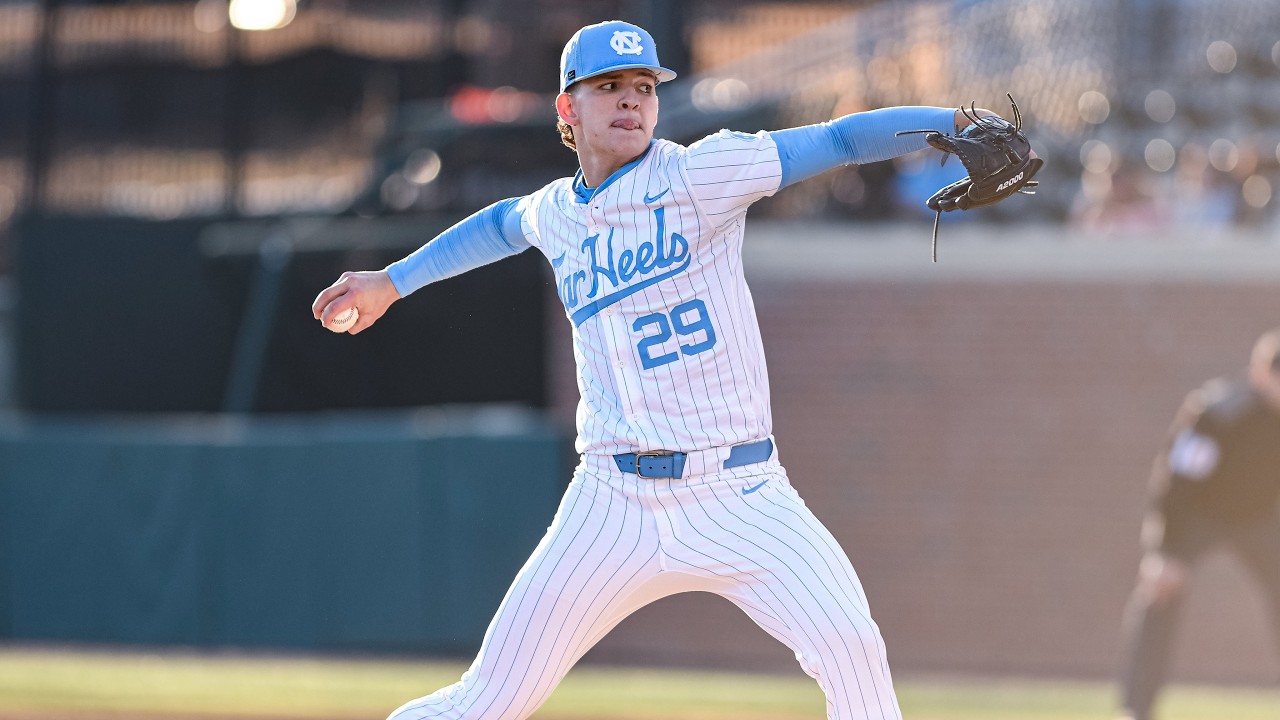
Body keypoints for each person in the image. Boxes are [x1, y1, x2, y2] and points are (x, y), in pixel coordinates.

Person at [312, 20, 1027, 720]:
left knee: (851, 649)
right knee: (488, 699)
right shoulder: (558, 213)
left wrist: (954, 119)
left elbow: (838, 139)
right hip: (611, 501)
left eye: (644, 88)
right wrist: (394, 280)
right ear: (568, 107)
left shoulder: (699, 173)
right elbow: (501, 223)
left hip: (740, 492)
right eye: (609, 86)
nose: (631, 100)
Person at [1116, 328, 1280, 720]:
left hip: (1259, 517)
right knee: (1161, 591)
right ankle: (1136, 708)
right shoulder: (1221, 414)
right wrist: (1164, 552)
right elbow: (1178, 482)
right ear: (1261, 374)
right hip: (1199, 515)